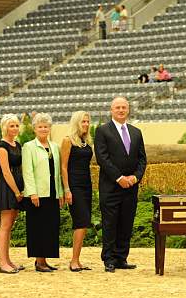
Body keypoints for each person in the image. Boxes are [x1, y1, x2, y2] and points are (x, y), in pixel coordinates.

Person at [94, 97, 147, 272]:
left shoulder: (136, 132)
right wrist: (119, 178)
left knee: (126, 222)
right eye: (117, 107)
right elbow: (103, 158)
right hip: (111, 186)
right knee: (110, 223)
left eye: (124, 107)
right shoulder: (103, 131)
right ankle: (109, 259)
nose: (121, 110)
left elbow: (142, 159)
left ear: (128, 109)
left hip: (131, 187)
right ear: (111, 110)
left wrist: (135, 178)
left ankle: (121, 257)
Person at [22, 113, 64, 272]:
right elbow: (28, 171)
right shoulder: (28, 147)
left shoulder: (54, 146)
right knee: (37, 227)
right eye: (40, 126)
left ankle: (44, 260)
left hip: (52, 193)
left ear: (50, 128)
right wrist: (32, 192)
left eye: (46, 126)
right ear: (34, 129)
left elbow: (57, 172)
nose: (43, 129)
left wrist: (59, 192)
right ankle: (39, 262)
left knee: (50, 227)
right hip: (37, 194)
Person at [61, 111, 94, 272]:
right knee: (81, 221)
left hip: (86, 185)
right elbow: (63, 167)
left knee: (84, 223)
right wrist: (66, 189)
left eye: (88, 122)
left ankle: (77, 260)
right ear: (76, 123)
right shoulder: (68, 141)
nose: (86, 124)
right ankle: (73, 261)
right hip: (74, 186)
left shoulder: (85, 141)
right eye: (83, 122)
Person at [0, 114, 25, 274]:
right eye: (11, 125)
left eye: (17, 125)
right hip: (7, 188)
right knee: (5, 226)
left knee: (10, 225)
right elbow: (5, 172)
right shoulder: (1, 147)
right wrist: (16, 191)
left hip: (17, 187)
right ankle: (2, 263)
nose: (15, 128)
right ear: (5, 127)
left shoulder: (17, 144)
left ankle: (9, 260)